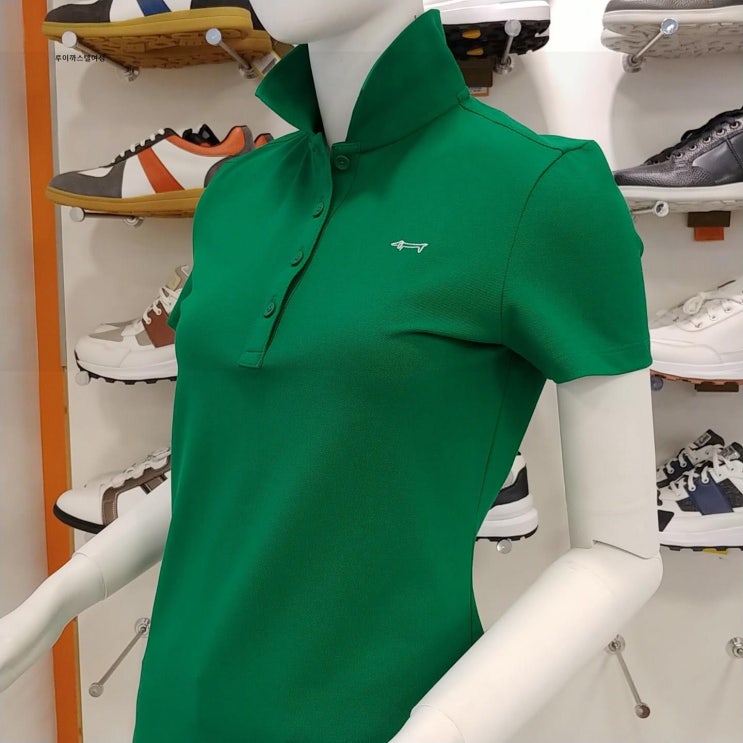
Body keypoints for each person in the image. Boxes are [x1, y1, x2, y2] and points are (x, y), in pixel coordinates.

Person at [0, 3, 662, 741]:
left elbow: (620, 554)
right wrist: (55, 601)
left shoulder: (543, 189)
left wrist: (442, 727)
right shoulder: (235, 194)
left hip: (377, 716)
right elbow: (221, 470)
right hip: (174, 706)